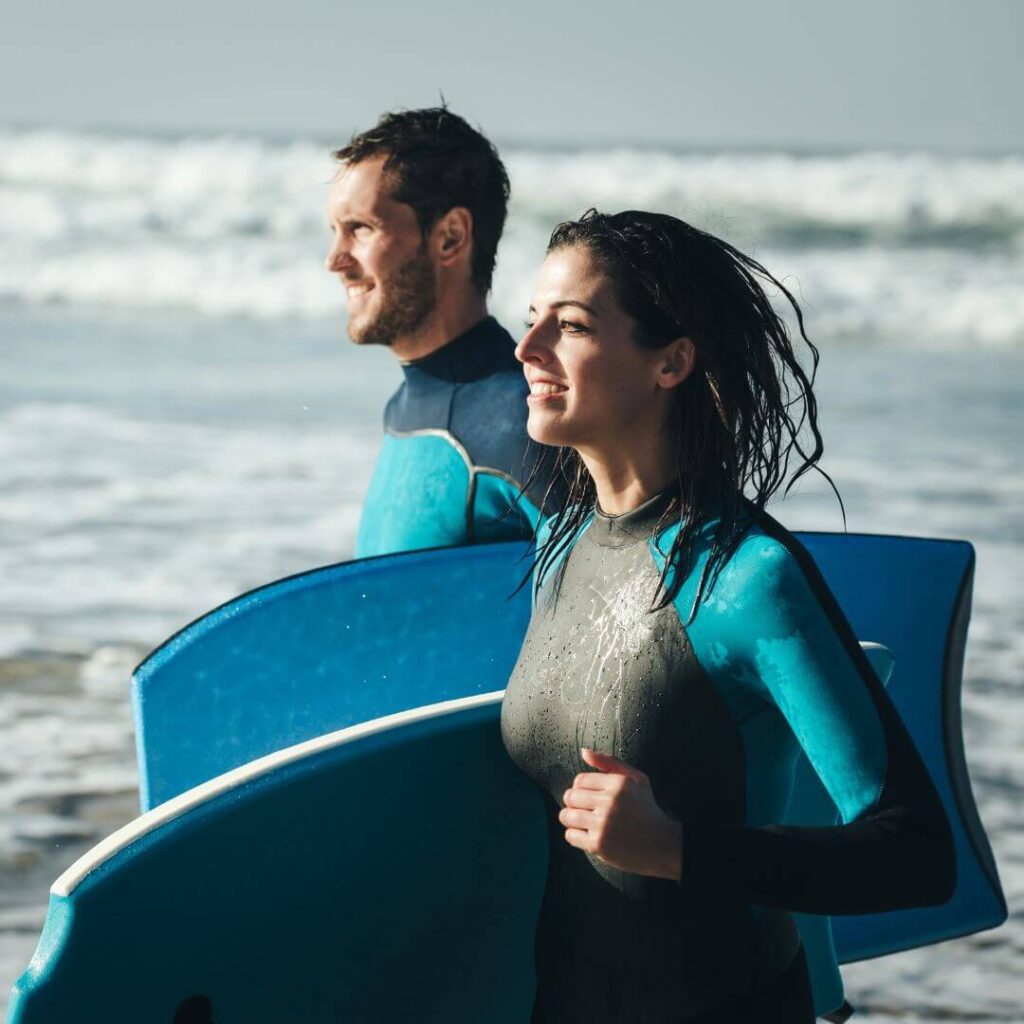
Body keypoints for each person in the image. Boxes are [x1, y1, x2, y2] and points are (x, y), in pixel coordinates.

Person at [500, 209, 956, 1023]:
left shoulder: (748, 578)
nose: (527, 350)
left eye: (568, 326)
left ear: (671, 361)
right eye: (531, 319)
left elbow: (916, 855)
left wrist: (673, 847)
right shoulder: (559, 545)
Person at [325, 106, 559, 557]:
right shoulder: (403, 409)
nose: (334, 259)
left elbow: (627, 603)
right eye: (335, 231)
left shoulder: (522, 424)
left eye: (360, 229)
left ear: (450, 237)